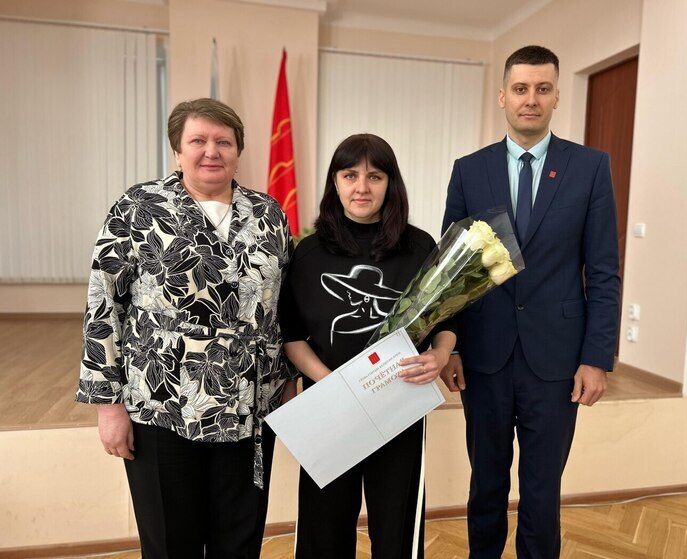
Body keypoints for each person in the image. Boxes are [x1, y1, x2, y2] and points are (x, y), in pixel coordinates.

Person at [75, 98, 296, 559]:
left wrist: (287, 383)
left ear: (238, 152)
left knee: (239, 542)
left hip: (249, 408)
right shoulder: (138, 207)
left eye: (223, 142)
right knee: (171, 544)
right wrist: (108, 407)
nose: (211, 151)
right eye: (198, 141)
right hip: (162, 406)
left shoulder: (269, 213)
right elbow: (103, 305)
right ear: (178, 150)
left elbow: (284, 304)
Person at [440, 46, 621, 558]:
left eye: (543, 89)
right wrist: (451, 347)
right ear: (503, 96)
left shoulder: (589, 168)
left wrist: (596, 357)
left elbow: (603, 271)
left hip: (557, 360)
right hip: (484, 356)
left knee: (542, 491)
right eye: (520, 89)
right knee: (486, 483)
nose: (531, 99)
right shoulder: (469, 171)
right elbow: (452, 270)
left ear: (557, 96)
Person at [278, 133, 457, 559]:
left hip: (399, 405)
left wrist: (440, 355)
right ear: (335, 182)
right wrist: (336, 385)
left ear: (390, 183)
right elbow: (292, 336)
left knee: (396, 528)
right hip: (330, 405)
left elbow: (446, 321)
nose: (362, 187)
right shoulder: (309, 252)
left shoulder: (419, 246)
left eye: (375, 176)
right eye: (350, 175)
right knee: (324, 529)